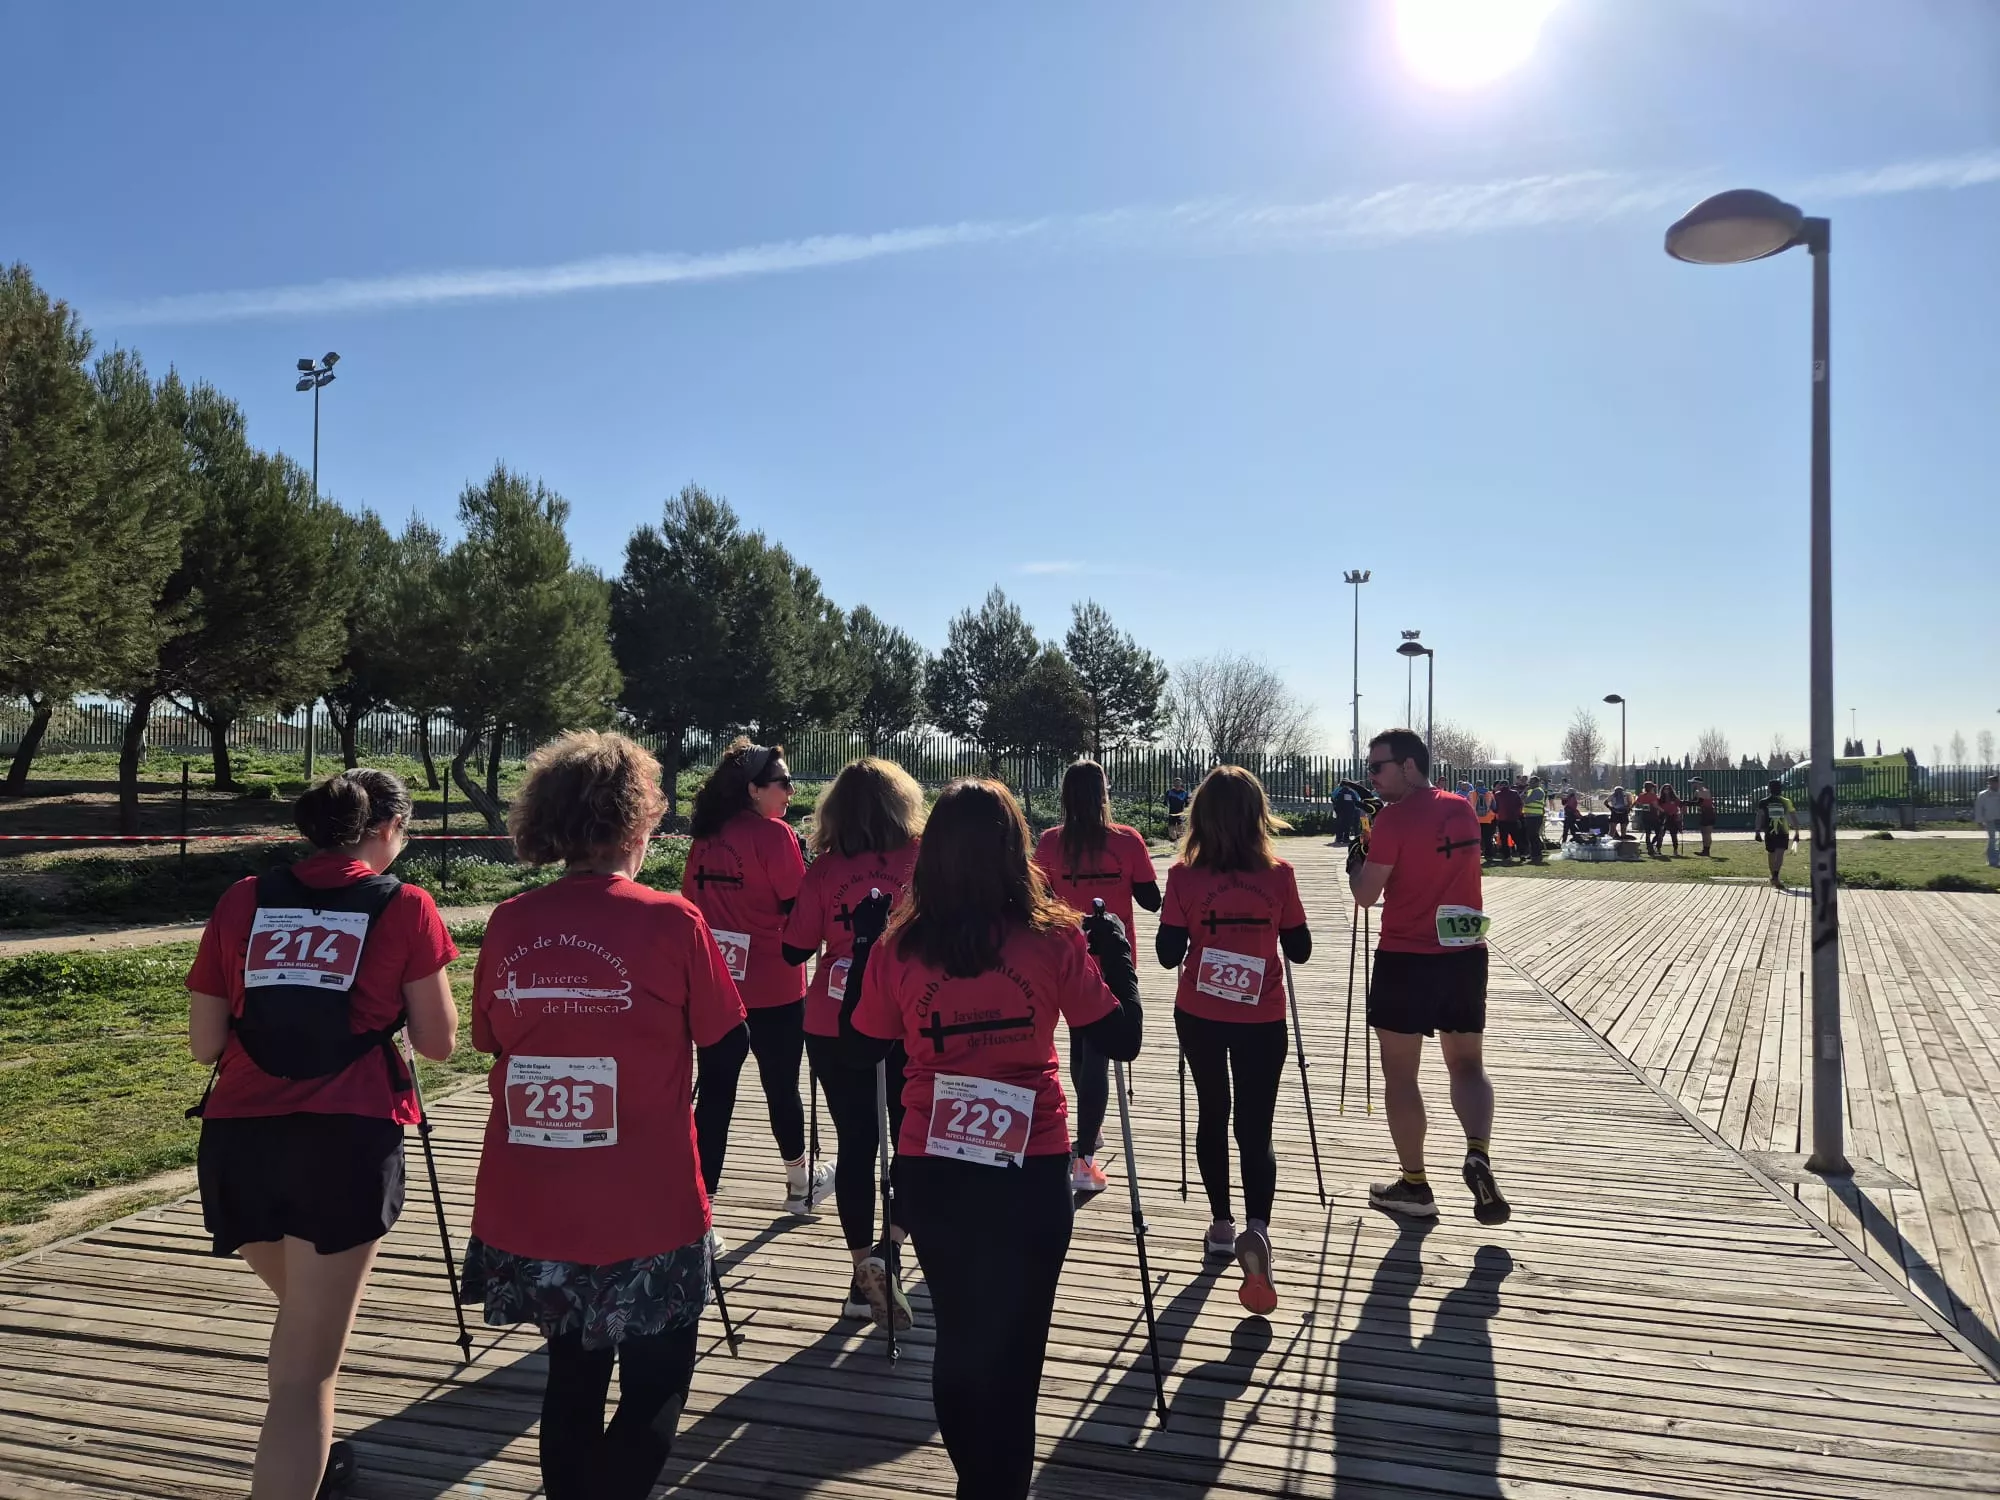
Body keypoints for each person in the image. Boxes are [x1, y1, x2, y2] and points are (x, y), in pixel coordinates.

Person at [461, 732, 746, 1500]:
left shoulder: (511, 920)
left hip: (536, 1197)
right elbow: (728, 1044)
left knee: (572, 1379)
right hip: (647, 1202)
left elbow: (490, 1038)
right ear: (639, 823)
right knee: (656, 1386)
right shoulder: (673, 921)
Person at [842, 778, 1142, 1500]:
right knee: (1018, 1348)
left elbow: (861, 1045)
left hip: (934, 1168)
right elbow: (1120, 1038)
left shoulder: (901, 947)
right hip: (1031, 1168)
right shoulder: (1053, 938)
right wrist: (1117, 958)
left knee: (960, 1336)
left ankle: (979, 1482)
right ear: (1014, 850)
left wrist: (861, 946)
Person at [185, 769, 458, 1500]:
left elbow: (204, 1044)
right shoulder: (406, 905)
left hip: (239, 1144)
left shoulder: (243, 898)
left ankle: (318, 1460)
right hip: (345, 1144)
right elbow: (437, 1043)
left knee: (303, 1329)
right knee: (305, 1379)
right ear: (389, 830)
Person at [1157, 766, 1311, 1315]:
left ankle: (1220, 1225)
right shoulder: (1280, 874)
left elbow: (1168, 954)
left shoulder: (1183, 877)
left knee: (1211, 1113)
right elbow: (1301, 950)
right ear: (1256, 817)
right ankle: (1257, 1228)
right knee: (1256, 1124)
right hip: (1262, 1015)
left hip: (1200, 1012)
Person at [781, 757, 926, 1326]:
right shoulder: (922, 860)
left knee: (855, 1144)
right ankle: (891, 1250)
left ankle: (860, 1268)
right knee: (912, 1137)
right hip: (909, 1012)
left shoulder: (824, 869)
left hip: (832, 1017)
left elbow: (794, 949)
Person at [1348, 729, 1509, 1228]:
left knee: (1401, 1075)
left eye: (1378, 768)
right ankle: (1478, 1152)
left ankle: (1415, 1184)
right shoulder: (1461, 808)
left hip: (1407, 955)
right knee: (1467, 1065)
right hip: (1464, 952)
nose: (1372, 777)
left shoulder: (1392, 820)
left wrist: (1358, 858)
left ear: (1409, 766)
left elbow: (1366, 895)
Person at [682, 737, 830, 1230]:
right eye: (782, 783)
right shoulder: (774, 835)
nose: (790, 791)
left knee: (715, 1092)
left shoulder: (705, 834)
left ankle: (699, 1211)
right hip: (774, 980)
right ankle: (798, 1183)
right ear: (752, 789)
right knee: (781, 1086)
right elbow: (797, 905)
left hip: (718, 982)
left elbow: (690, 904)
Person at [1033, 760, 1162, 1193]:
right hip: (1112, 960)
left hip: (1065, 958)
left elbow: (1038, 900)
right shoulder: (1127, 840)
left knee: (1081, 1045)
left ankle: (1090, 1129)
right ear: (1104, 794)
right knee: (1097, 1052)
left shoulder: (1050, 842)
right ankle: (1085, 1154)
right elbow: (1150, 899)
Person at [1753, 778, 1797, 889]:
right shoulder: (1786, 801)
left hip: (1769, 831)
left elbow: (1759, 817)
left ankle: (1774, 877)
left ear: (1769, 789)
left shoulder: (1763, 802)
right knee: (1780, 853)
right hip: (1783, 831)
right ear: (1781, 789)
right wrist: (1797, 830)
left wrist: (1757, 831)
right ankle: (1775, 876)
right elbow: (1792, 817)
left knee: (1771, 853)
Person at [1491, 778, 1525, 865]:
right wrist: (1517, 814)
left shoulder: (1497, 794)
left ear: (1501, 786)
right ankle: (1522, 854)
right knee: (1517, 838)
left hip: (1502, 820)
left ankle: (1507, 856)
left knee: (1504, 839)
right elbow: (1520, 804)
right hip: (1513, 819)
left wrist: (1496, 811)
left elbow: (1495, 807)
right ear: (1509, 785)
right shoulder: (1514, 793)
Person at [1520, 775, 1548, 864]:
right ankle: (1533, 854)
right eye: (1530, 782)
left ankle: (1537, 854)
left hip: (1535, 816)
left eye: (1532, 782)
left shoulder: (1538, 791)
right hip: (1529, 816)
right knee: (1530, 836)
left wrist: (1524, 796)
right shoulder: (1530, 790)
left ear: (1537, 783)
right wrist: (1525, 791)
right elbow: (1521, 797)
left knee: (1533, 835)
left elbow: (1527, 800)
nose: (1529, 784)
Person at [1331, 778, 1367, 847]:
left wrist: (1336, 808)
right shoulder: (1351, 792)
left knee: (1340, 825)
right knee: (1348, 825)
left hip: (1340, 811)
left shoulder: (1339, 791)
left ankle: (1339, 838)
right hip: (1349, 811)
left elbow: (1333, 799)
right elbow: (1355, 800)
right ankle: (1346, 838)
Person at [1976, 774, 2000, 869]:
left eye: (1995, 782)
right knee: (1992, 840)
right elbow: (1979, 808)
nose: (1992, 784)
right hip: (1990, 819)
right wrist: (1979, 821)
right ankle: (1992, 861)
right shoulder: (1983, 795)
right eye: (1990, 782)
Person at [1691, 777, 1718, 857]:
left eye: (1694, 783)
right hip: (1705, 813)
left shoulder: (1702, 791)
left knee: (1707, 833)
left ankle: (1706, 851)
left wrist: (1685, 803)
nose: (1692, 784)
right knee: (1704, 832)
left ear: (1698, 783)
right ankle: (1705, 850)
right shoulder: (1700, 791)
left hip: (1707, 813)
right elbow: (1694, 802)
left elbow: (1697, 802)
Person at [1472, 781, 1497, 862]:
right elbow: (1494, 806)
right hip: (1487, 820)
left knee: (1476, 838)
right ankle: (1489, 855)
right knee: (1488, 838)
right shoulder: (1490, 794)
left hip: (1475, 820)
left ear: (1475, 785)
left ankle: (1476, 854)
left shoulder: (1471, 794)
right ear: (1484, 785)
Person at [1635, 781, 1662, 855]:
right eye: (1653, 787)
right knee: (1659, 832)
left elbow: (1638, 803)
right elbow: (1655, 805)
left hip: (1645, 815)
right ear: (1651, 788)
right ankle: (1652, 845)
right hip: (1653, 815)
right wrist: (1663, 810)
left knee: (1648, 833)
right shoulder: (1653, 795)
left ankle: (1649, 846)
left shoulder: (1641, 795)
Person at [1658, 784, 1684, 857]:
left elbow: (1681, 806)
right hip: (1663, 817)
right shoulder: (1660, 799)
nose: (1667, 790)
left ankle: (1675, 850)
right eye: (1665, 789)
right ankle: (1658, 849)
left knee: (1674, 835)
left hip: (1673, 817)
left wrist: (1680, 815)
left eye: (1668, 789)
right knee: (1661, 834)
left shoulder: (1675, 798)